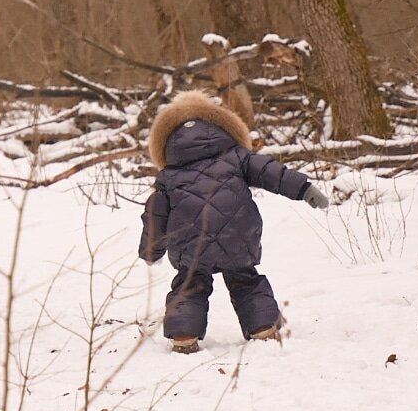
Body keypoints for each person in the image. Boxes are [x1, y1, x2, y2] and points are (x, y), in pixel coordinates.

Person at [138, 90, 328, 353]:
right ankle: (263, 328)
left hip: (190, 241)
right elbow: (271, 172)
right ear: (220, 124)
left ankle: (184, 335)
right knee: (245, 279)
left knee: (190, 284)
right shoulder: (237, 155)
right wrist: (305, 190)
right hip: (238, 234)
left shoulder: (169, 175)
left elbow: (155, 213)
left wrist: (151, 250)